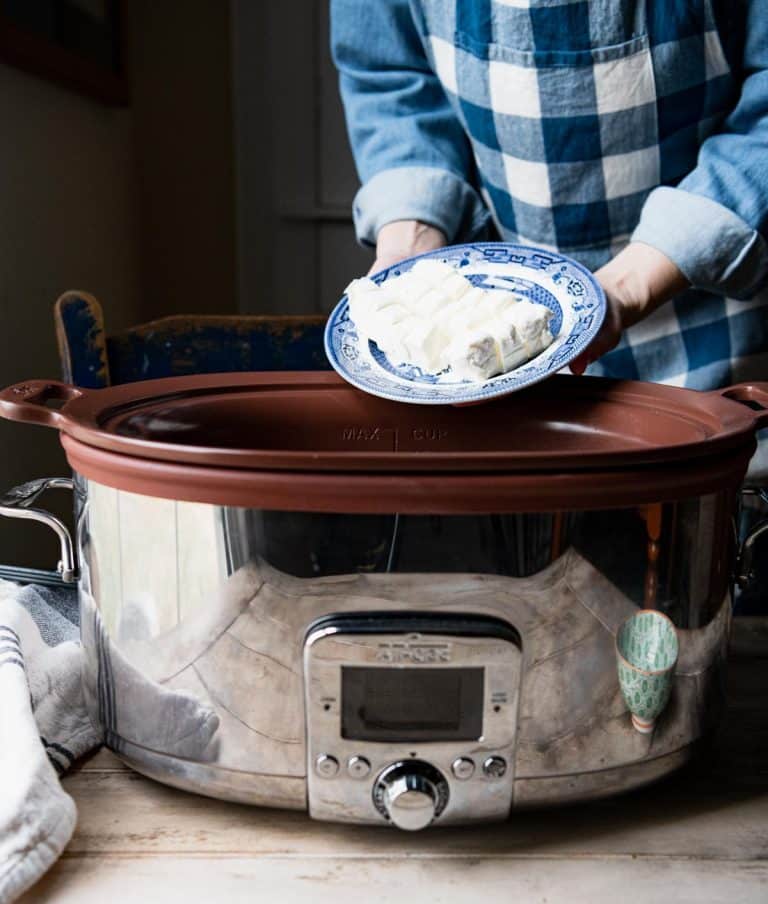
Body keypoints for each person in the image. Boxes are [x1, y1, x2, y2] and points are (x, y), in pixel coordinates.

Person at [330, 0, 768, 394]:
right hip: (509, 367)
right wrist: (412, 236)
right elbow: (389, 74)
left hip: (726, 343)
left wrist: (626, 286)